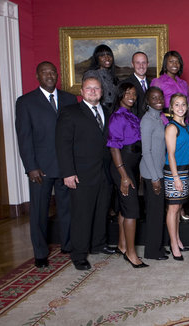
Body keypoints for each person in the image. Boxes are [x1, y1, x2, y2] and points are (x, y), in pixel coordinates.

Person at [15, 61, 77, 268]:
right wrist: (30, 167)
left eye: (52, 72)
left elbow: (74, 134)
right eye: (45, 72)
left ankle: (68, 245)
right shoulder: (26, 102)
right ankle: (40, 253)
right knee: (39, 212)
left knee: (67, 208)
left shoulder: (69, 99)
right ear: (37, 76)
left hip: (66, 166)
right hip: (40, 168)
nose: (49, 75)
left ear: (57, 75)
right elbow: (24, 137)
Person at [55, 75, 116, 271]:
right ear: (81, 92)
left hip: (103, 173)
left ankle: (98, 244)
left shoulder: (106, 111)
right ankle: (79, 254)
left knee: (101, 210)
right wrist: (68, 173)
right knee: (82, 215)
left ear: (101, 92)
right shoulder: (70, 112)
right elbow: (62, 145)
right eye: (88, 88)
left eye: (96, 88)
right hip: (80, 174)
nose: (92, 91)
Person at [107, 83, 148, 268]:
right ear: (120, 95)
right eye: (127, 93)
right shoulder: (117, 117)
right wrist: (124, 174)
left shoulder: (131, 115)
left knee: (125, 208)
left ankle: (122, 245)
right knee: (132, 209)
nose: (131, 96)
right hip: (121, 166)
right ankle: (132, 254)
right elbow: (114, 148)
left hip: (132, 165)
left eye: (133, 93)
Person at [140, 87, 170, 261]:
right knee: (154, 213)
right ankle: (151, 251)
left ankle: (158, 246)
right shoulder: (147, 121)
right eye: (154, 98)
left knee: (159, 212)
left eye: (160, 97)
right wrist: (155, 178)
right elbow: (146, 152)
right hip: (152, 174)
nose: (158, 100)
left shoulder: (159, 118)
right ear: (148, 101)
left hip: (159, 171)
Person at [164, 93, 189, 261]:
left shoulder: (186, 126)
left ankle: (178, 240)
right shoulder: (171, 127)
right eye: (177, 105)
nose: (180, 108)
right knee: (173, 209)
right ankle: (173, 244)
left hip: (185, 170)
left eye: (183, 104)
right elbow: (171, 154)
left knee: (178, 207)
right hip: (174, 172)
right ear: (171, 108)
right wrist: (175, 178)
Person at [84, 44, 119, 114]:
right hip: (98, 112)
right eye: (102, 55)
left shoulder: (113, 76)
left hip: (113, 113)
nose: (107, 58)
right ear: (97, 58)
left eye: (109, 55)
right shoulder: (91, 74)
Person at [120, 51, 151, 119]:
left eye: (144, 62)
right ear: (132, 64)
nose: (141, 66)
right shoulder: (124, 84)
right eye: (138, 63)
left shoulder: (152, 84)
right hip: (134, 125)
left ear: (148, 64)